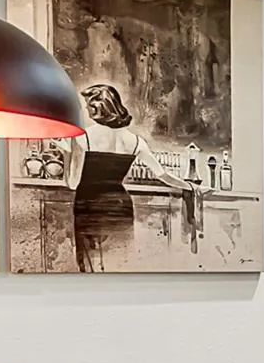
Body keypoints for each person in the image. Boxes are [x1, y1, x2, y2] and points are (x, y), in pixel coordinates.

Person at [66, 84, 198, 272]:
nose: (86, 109)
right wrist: (191, 187)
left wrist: (66, 152)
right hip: (120, 207)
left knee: (90, 268)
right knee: (120, 265)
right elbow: (162, 175)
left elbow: (72, 183)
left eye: (89, 105)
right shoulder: (136, 141)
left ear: (98, 108)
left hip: (89, 207)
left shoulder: (82, 137)